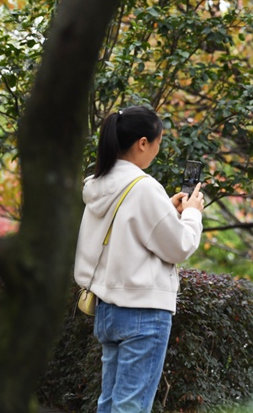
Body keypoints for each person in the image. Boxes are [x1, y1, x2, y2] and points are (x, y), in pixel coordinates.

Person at [74, 106, 204, 413]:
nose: (157, 151)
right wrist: (193, 214)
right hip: (143, 313)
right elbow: (180, 245)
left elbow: (128, 235)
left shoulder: (100, 186)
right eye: (158, 143)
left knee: (109, 403)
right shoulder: (143, 187)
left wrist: (169, 212)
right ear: (142, 143)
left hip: (107, 309)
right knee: (131, 407)